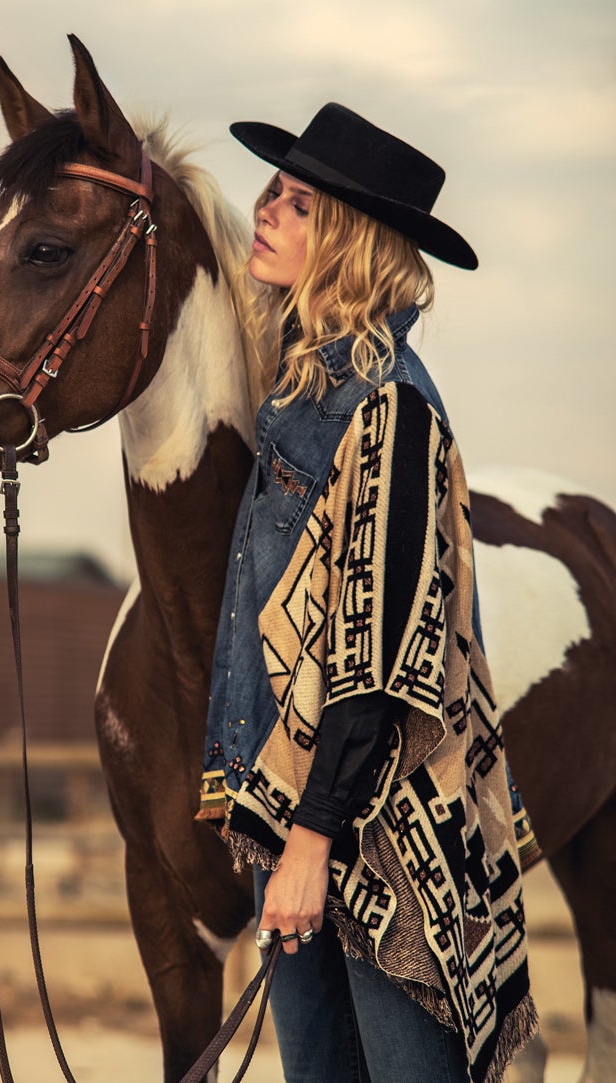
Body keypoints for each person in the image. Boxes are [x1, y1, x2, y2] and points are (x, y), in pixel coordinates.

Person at [196, 103, 539, 1082]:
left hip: (377, 838)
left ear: (345, 241)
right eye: (271, 189)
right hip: (307, 821)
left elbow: (371, 654)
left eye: (297, 202)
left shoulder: (388, 405)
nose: (263, 209)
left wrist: (308, 842)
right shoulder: (303, 394)